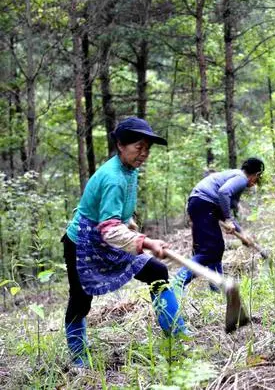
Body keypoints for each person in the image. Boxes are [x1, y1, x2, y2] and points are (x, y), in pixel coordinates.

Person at [62, 117, 187, 368]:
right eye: (139, 147)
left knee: (157, 270)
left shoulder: (130, 171)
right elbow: (109, 230)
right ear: (120, 144)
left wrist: (129, 225)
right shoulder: (113, 177)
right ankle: (78, 360)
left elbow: (115, 215)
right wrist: (147, 241)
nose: (144, 154)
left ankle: (177, 336)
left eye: (147, 149)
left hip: (109, 238)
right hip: (83, 244)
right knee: (81, 298)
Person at [173, 158, 264, 293]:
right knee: (210, 249)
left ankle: (217, 288)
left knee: (214, 248)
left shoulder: (235, 177)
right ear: (256, 175)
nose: (256, 182)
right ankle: (177, 283)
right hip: (203, 203)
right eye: (258, 178)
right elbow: (223, 193)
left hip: (200, 204)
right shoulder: (241, 178)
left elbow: (225, 210)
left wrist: (242, 234)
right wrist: (227, 219)